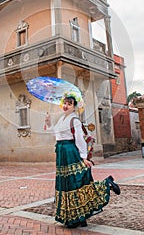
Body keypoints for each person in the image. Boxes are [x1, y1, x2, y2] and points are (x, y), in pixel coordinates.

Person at [44, 94, 120, 229]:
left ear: (74, 107)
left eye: (69, 104)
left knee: (77, 183)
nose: (66, 106)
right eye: (65, 103)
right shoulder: (61, 119)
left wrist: (84, 158)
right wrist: (49, 122)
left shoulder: (75, 121)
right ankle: (78, 217)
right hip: (61, 153)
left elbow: (79, 140)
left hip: (71, 152)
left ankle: (107, 184)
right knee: (67, 184)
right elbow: (56, 135)